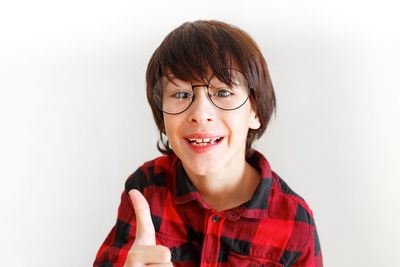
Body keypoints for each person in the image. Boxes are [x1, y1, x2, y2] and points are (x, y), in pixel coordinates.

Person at [94, 20, 323, 267]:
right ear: (162, 114)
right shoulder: (147, 190)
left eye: (223, 93)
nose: (201, 113)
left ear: (254, 111)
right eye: (181, 94)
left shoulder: (295, 222)